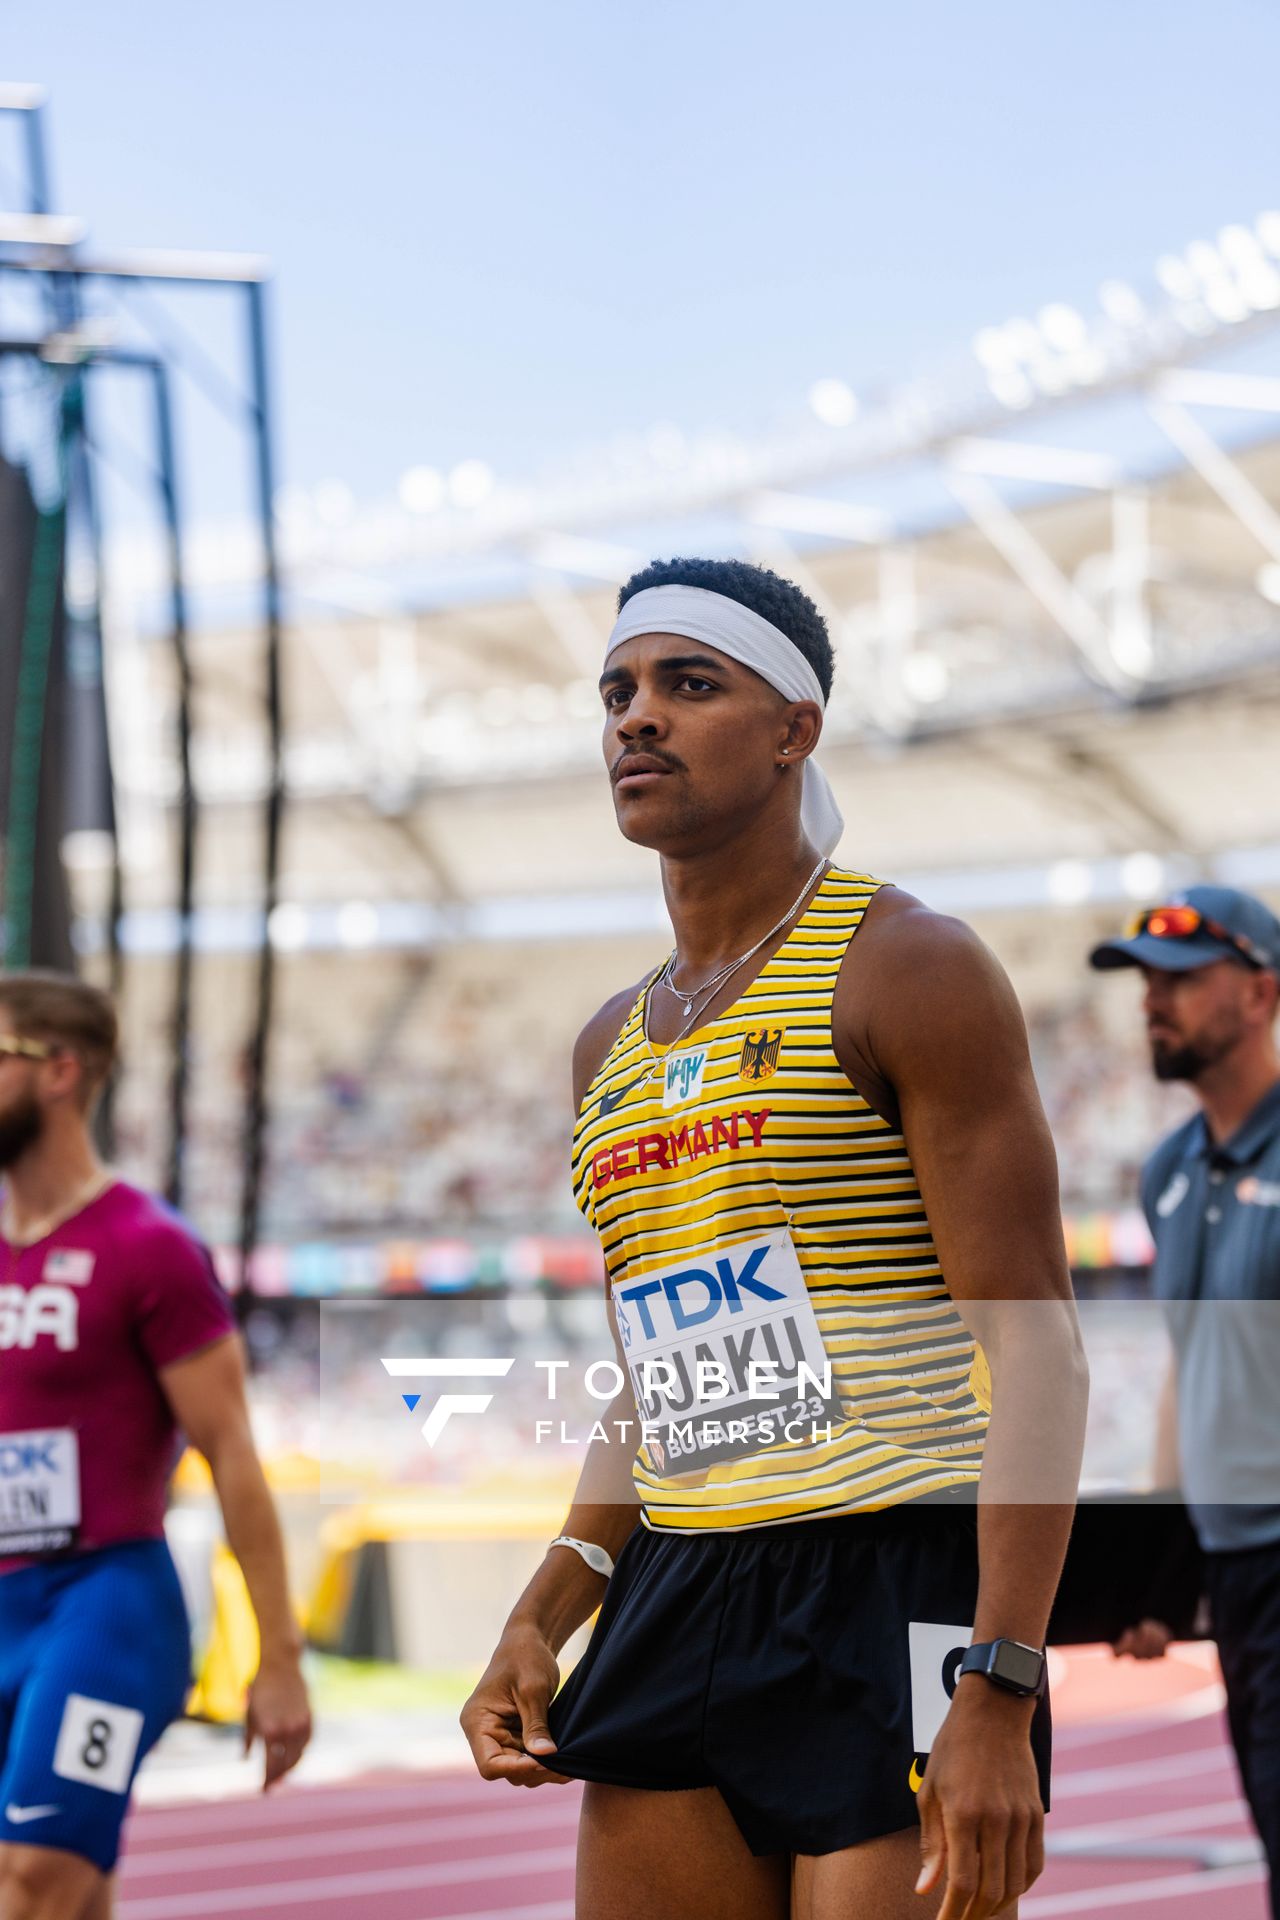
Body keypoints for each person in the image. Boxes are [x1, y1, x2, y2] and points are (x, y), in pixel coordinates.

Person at [461, 557, 1088, 1920]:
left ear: (796, 729)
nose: (638, 719)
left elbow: (1036, 1346)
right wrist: (545, 1609)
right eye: (618, 691)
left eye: (691, 686)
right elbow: (669, 1374)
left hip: (891, 1572)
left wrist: (1003, 1682)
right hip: (684, 1583)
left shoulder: (907, 965)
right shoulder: (607, 1045)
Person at [0, 972, 311, 1920]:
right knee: (72, 1891)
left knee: (32, 1880)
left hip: (103, 1610)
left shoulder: (149, 1247)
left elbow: (233, 1454)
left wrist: (280, 1658)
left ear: (59, 1073)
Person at [1089, 885, 1280, 1916]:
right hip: (1234, 1575)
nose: (1151, 1001)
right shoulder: (1164, 1171)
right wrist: (1160, 1573)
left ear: (1258, 995)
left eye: (1181, 979)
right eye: (1144, 981)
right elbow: (1186, 1366)